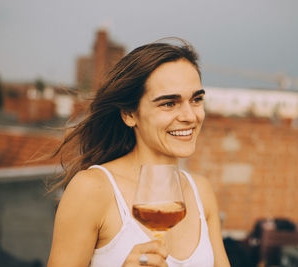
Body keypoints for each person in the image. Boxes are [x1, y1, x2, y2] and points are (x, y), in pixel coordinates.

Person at [47, 39, 230, 267]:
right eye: (169, 103)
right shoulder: (93, 189)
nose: (190, 116)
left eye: (196, 99)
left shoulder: (201, 192)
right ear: (129, 114)